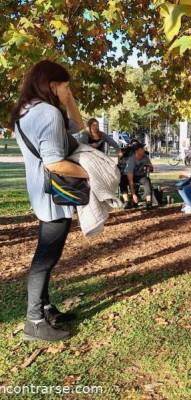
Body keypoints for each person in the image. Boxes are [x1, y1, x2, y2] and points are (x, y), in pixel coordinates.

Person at [10, 60, 87, 341]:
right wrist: (90, 174)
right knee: (45, 259)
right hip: (55, 195)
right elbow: (56, 163)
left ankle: (44, 307)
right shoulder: (48, 114)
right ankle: (34, 322)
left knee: (46, 257)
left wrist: (68, 102)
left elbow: (79, 132)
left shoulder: (25, 110)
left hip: (40, 192)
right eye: (66, 86)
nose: (68, 91)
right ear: (53, 85)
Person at [120, 143, 154, 210]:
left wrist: (150, 168)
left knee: (147, 180)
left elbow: (152, 169)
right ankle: (126, 201)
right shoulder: (131, 160)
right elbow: (130, 180)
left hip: (140, 176)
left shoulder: (145, 157)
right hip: (129, 176)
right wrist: (133, 195)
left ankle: (149, 202)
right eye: (142, 148)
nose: (144, 149)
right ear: (137, 151)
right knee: (122, 180)